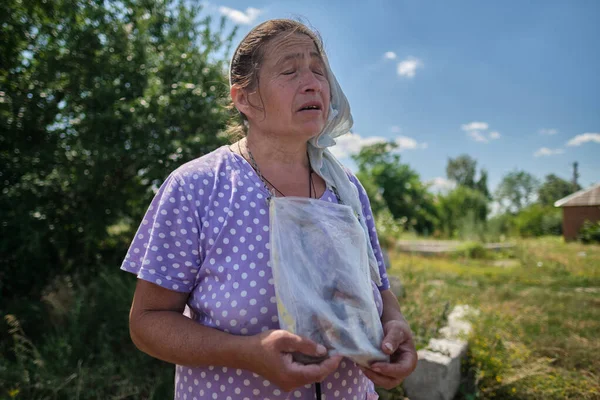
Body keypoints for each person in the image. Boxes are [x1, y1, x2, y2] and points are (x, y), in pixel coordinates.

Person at [121, 19, 417, 399]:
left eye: (319, 70)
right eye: (290, 71)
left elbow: (381, 290)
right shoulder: (197, 187)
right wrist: (246, 354)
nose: (312, 83)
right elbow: (147, 322)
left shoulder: (347, 189)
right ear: (244, 99)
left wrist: (395, 328)